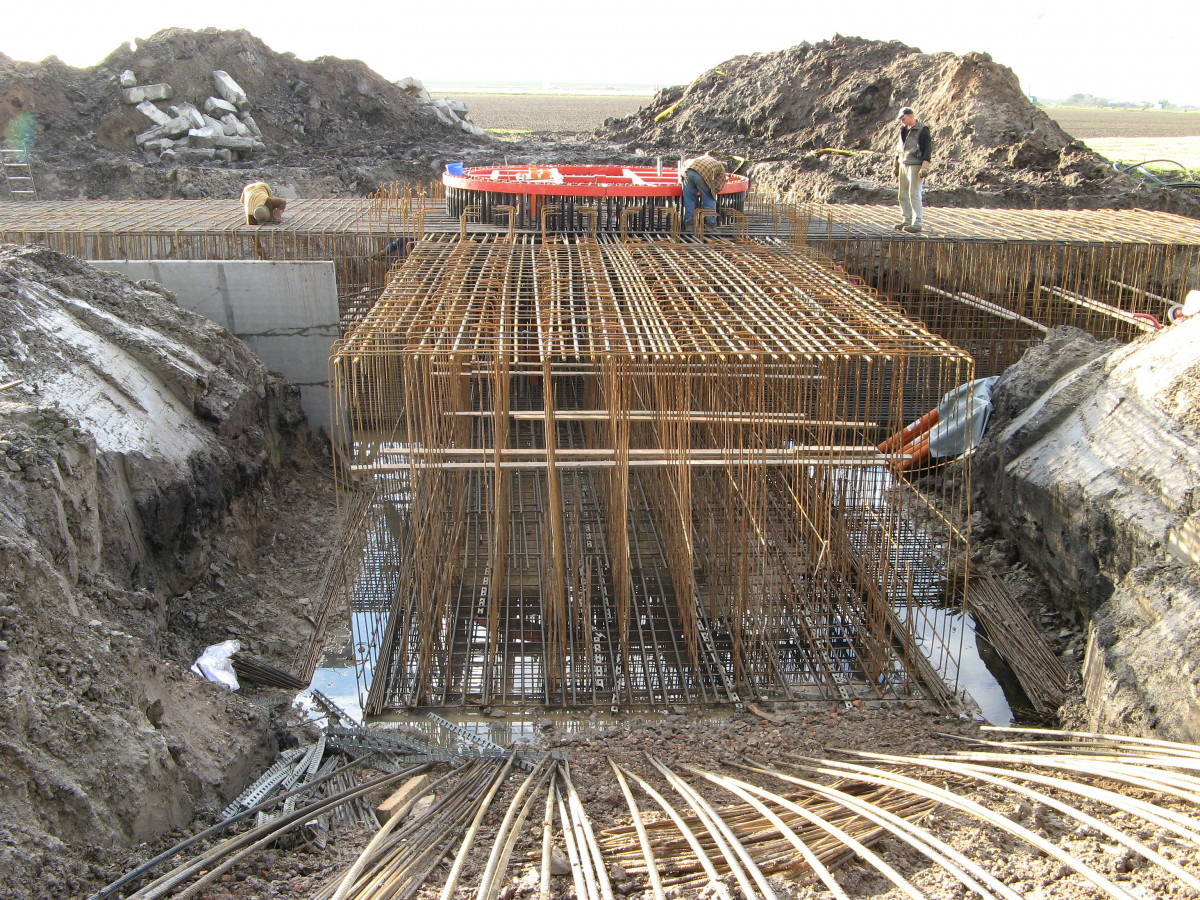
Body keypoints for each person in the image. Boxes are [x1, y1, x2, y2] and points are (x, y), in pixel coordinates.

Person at [894, 107, 932, 234]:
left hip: (915, 165)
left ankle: (917, 222)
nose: (902, 121)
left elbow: (927, 149)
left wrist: (925, 165)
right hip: (903, 164)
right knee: (903, 194)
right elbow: (900, 148)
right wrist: (896, 163)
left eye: (903, 119)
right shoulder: (903, 130)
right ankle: (907, 219)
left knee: (914, 193)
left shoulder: (922, 130)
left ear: (910, 116)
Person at [680, 152, 727, 231]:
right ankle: (710, 225)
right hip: (702, 173)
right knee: (709, 198)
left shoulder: (701, 158)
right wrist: (711, 191)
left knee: (689, 199)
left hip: (688, 171)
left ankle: (689, 225)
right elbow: (719, 185)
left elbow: (685, 163)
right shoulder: (720, 167)